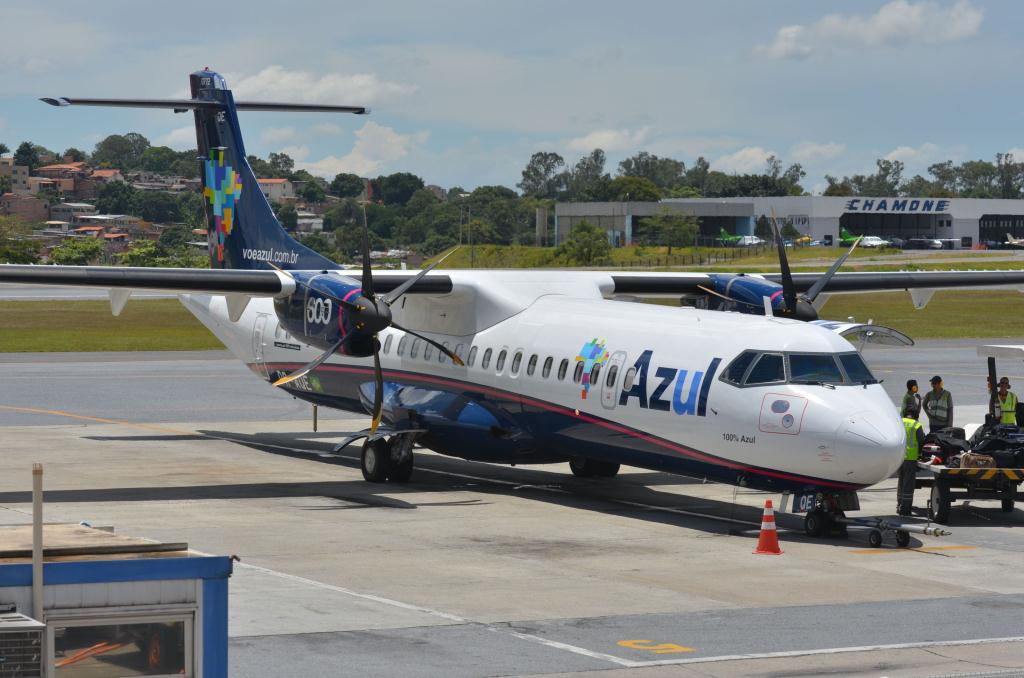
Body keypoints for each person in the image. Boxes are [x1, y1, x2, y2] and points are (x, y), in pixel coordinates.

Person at [898, 407, 925, 516]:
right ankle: (905, 509)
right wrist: (920, 454)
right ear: (916, 416)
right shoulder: (916, 425)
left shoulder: (899, 422)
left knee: (901, 481)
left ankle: (899, 505)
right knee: (908, 485)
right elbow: (921, 440)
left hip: (899, 457)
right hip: (910, 458)